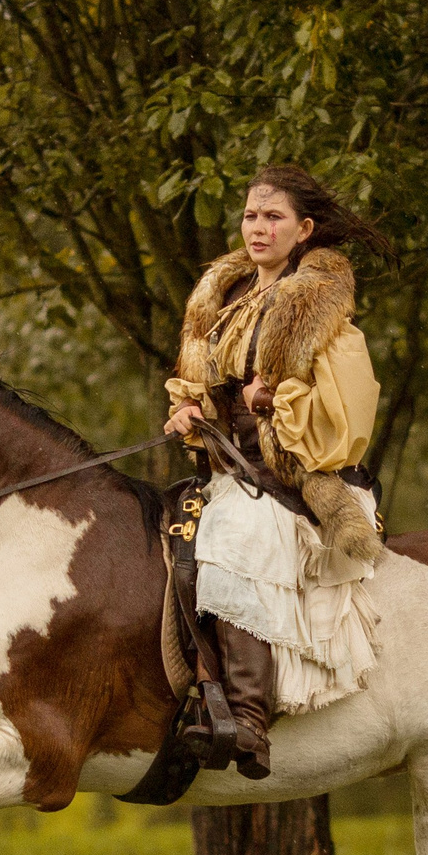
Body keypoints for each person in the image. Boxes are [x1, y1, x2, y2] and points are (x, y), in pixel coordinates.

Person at [161, 165, 389, 778]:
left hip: (290, 476)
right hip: (228, 469)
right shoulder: (225, 296)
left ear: (304, 229)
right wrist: (190, 410)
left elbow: (348, 411)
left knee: (236, 539)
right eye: (250, 216)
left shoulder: (317, 307)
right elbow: (204, 384)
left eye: (274, 217)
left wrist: (275, 403)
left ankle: (248, 720)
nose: (258, 228)